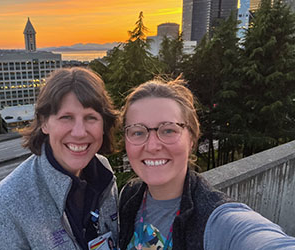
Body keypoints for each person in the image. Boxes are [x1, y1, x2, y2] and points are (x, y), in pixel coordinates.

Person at [118, 78, 295, 250]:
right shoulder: (130, 196)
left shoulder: (215, 219)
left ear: (192, 139)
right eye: (138, 132)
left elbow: (259, 238)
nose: (153, 146)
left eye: (168, 130)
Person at [0, 67, 119, 250]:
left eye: (91, 118)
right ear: (44, 123)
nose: (80, 132)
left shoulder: (103, 174)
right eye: (66, 117)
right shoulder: (2, 208)